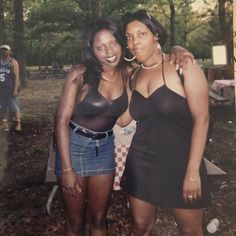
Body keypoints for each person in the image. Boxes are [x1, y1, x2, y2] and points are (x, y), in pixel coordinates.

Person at [54, 17, 194, 236]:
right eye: (100, 47)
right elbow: (60, 121)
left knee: (99, 219)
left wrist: (178, 48)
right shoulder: (80, 75)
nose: (109, 51)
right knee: (75, 221)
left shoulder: (128, 72)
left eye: (113, 43)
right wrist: (67, 169)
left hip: (106, 147)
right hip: (75, 147)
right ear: (92, 50)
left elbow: (125, 117)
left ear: (121, 42)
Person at [119, 10, 211, 236]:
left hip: (181, 163)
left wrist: (192, 173)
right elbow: (123, 119)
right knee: (140, 227)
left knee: (190, 231)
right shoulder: (133, 76)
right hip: (141, 163)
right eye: (129, 37)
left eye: (141, 34)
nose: (134, 42)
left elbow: (202, 120)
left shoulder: (183, 66)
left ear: (155, 36)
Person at [0, 44, 22, 131]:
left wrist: (15, 89)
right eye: (2, 50)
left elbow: (16, 77)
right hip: (2, 89)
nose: (3, 51)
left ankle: (18, 123)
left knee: (14, 107)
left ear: (10, 52)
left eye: (6, 50)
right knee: (3, 106)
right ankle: (4, 123)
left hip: (10, 88)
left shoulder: (13, 62)